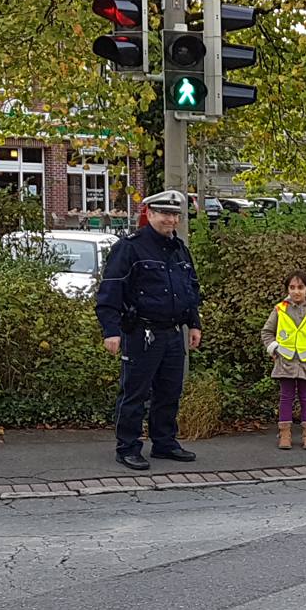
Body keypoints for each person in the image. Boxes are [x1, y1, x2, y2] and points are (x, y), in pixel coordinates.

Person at [95, 189, 203, 471]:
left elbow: (190, 288)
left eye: (174, 214)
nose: (170, 219)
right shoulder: (130, 247)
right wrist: (111, 330)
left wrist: (194, 323)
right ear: (150, 214)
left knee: (169, 392)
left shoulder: (179, 248)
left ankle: (164, 442)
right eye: (164, 214)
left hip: (172, 332)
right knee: (135, 393)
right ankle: (128, 447)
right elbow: (110, 290)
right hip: (141, 332)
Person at [260, 271, 306, 451]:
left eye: (300, 287)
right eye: (292, 288)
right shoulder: (280, 308)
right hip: (286, 360)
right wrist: (274, 348)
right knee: (286, 397)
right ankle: (285, 434)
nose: (296, 291)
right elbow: (267, 332)